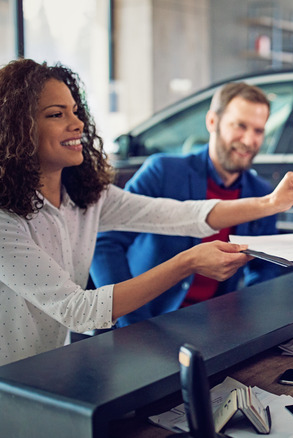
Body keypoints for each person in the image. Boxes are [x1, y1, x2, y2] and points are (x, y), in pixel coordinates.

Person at [0, 59, 293, 438]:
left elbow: (179, 215)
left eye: (74, 110)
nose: (77, 122)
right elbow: (79, 309)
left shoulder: (83, 197)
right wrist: (188, 261)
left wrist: (270, 203)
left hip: (40, 382)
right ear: (15, 131)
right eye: (57, 114)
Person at [91, 82, 280, 328]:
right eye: (240, 126)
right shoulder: (163, 172)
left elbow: (264, 270)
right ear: (212, 122)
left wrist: (250, 322)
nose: (249, 140)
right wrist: (130, 321)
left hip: (214, 325)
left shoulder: (262, 195)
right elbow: (105, 244)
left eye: (258, 131)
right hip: (147, 319)